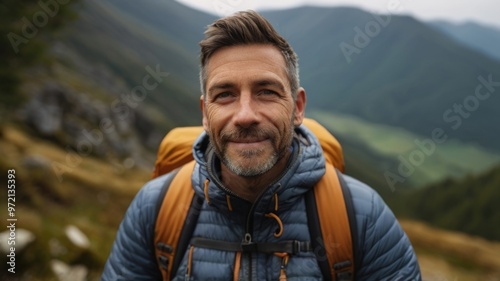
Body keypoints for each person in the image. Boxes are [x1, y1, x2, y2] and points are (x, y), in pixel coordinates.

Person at [102, 10, 421, 280]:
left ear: (297, 107)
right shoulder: (154, 209)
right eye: (224, 94)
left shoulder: (365, 219)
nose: (245, 116)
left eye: (266, 91)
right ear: (204, 113)